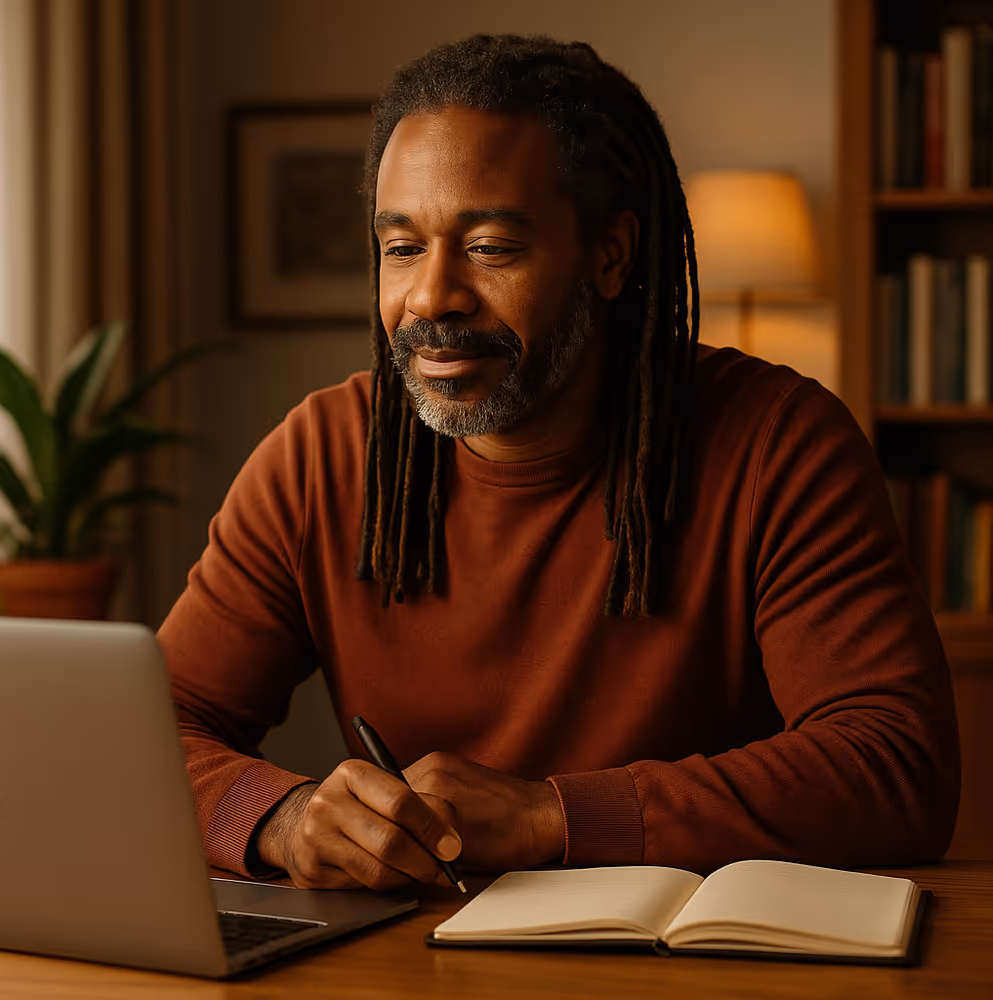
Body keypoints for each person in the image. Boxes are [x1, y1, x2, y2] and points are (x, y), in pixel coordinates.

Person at [159, 34, 960, 892]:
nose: (431, 297)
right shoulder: (323, 455)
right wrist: (281, 820)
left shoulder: (778, 441)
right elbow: (154, 730)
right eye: (401, 248)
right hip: (408, 963)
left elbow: (894, 764)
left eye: (491, 247)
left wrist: (553, 818)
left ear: (608, 256)